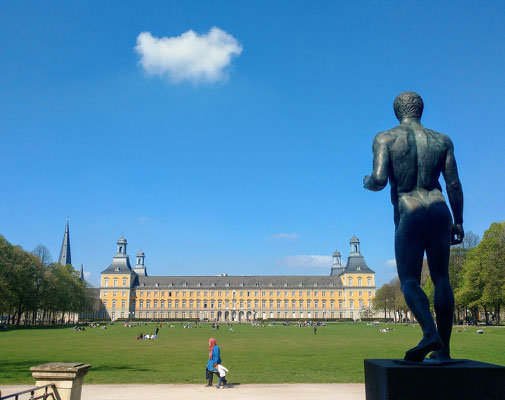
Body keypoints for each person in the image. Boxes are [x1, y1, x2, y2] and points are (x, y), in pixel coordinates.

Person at [364, 92, 464, 362]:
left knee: (409, 279)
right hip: (440, 208)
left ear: (397, 112)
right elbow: (454, 184)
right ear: (420, 110)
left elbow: (379, 179)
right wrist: (459, 221)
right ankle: (444, 352)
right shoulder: (442, 140)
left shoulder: (385, 138)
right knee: (442, 278)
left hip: (410, 209)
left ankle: (430, 332)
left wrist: (367, 181)